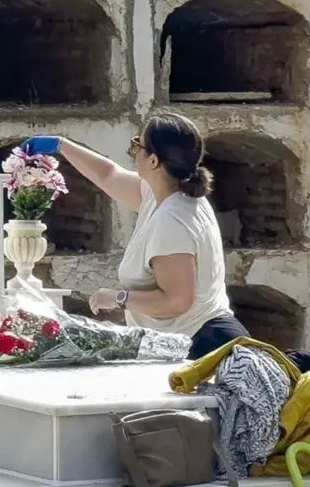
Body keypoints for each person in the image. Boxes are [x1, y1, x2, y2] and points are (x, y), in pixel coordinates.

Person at [21, 112, 249, 360]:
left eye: (137, 145)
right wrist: (60, 145)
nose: (133, 151)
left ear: (153, 161)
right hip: (194, 343)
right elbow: (110, 175)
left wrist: (118, 298)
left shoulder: (173, 221)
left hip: (202, 348)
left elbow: (177, 301)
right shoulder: (170, 193)